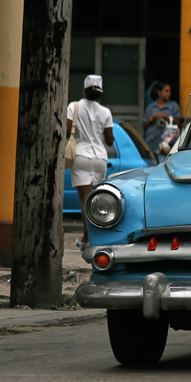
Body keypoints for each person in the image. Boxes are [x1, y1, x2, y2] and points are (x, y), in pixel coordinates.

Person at [66, 75, 114, 251]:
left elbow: (66, 130)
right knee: (96, 202)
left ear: (84, 90)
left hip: (81, 157)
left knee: (85, 202)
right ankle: (89, 238)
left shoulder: (74, 106)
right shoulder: (106, 112)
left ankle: (89, 240)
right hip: (100, 158)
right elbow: (109, 140)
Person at [143, 82, 182, 163]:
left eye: (169, 91)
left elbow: (178, 122)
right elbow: (144, 125)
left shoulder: (173, 106)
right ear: (159, 92)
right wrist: (150, 120)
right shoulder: (151, 107)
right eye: (166, 91)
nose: (169, 93)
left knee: (162, 166)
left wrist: (165, 116)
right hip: (151, 143)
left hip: (165, 145)